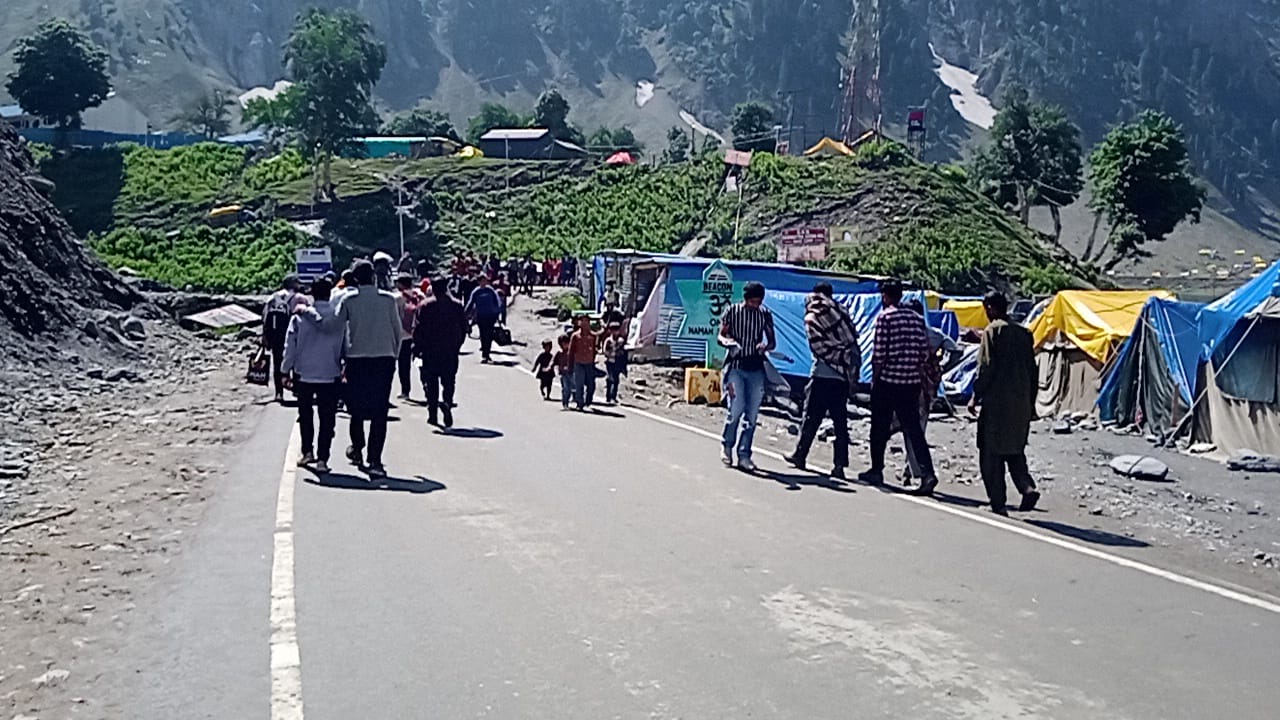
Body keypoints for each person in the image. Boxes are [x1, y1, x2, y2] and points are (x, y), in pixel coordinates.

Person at [861, 280, 938, 494]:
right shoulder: (917, 319)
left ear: (885, 296)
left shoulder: (885, 318)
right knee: (914, 430)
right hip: (911, 383)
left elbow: (879, 355)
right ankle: (927, 474)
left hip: (888, 382)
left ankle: (876, 470)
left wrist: (875, 380)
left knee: (879, 428)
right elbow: (924, 353)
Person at [970, 291, 1041, 516]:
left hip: (997, 402)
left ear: (990, 307)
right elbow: (1033, 371)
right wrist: (1031, 403)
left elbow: (986, 367)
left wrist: (975, 395)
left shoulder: (993, 331)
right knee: (1014, 448)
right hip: (1020, 402)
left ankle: (997, 502)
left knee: (990, 452)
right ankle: (1026, 487)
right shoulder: (1024, 334)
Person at [332, 260, 402, 479]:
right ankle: (375, 460)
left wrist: (338, 359)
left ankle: (357, 448)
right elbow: (397, 331)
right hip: (384, 358)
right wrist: (394, 355)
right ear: (373, 276)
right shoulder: (388, 300)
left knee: (356, 408)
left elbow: (337, 330)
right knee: (380, 410)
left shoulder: (348, 300)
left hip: (357, 359)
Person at [784, 282, 859, 480]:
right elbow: (852, 341)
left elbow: (817, 346)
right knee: (840, 422)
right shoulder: (842, 313)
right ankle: (839, 466)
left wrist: (830, 353)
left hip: (821, 374)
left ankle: (800, 455)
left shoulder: (812, 315)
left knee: (810, 418)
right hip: (841, 375)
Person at [282, 277, 347, 474]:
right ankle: (323, 458)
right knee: (327, 418)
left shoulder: (299, 317)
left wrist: (284, 371)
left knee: (306, 415)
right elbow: (346, 345)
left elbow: (290, 347)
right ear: (329, 294)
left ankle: (307, 452)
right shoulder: (338, 318)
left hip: (304, 374)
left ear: (313, 293)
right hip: (330, 373)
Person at [901, 298, 964, 484]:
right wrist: (943, 367)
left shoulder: (908, 335)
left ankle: (919, 472)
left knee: (909, 430)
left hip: (908, 385)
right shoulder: (933, 334)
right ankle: (910, 469)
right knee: (918, 427)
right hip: (928, 386)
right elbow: (955, 350)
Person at [718, 281, 776, 472]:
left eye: (758, 302)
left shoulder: (765, 315)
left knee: (752, 414)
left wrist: (765, 346)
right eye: (752, 301)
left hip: (756, 368)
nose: (755, 305)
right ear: (745, 299)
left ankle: (744, 454)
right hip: (736, 366)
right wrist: (730, 343)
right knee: (736, 408)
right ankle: (727, 445)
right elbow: (721, 336)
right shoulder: (732, 312)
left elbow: (772, 341)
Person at [413, 276, 468, 428]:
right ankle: (447, 403)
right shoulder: (457, 305)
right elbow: (464, 327)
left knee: (431, 382)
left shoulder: (424, 305)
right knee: (449, 381)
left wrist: (417, 348)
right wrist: (457, 345)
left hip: (430, 350)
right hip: (450, 350)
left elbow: (417, 329)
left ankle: (432, 413)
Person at [262, 274, 308, 402]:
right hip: (294, 334)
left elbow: (265, 317)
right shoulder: (299, 298)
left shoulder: (273, 297)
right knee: (296, 362)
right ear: (293, 284)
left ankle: (279, 392)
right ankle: (297, 389)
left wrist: (265, 335)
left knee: (277, 363)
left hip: (276, 335)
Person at [394, 274, 425, 400]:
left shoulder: (397, 298)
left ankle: (405, 391)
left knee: (404, 364)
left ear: (400, 284)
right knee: (419, 361)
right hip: (418, 335)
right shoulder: (420, 295)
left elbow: (395, 317)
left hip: (404, 336)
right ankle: (427, 386)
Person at [465, 274, 503, 363]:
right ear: (479, 282)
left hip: (491, 316)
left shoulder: (491, 290)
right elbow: (471, 302)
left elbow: (497, 302)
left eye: (485, 280)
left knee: (489, 334)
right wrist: (466, 314)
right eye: (482, 281)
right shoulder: (476, 292)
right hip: (481, 316)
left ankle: (487, 353)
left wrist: (497, 312)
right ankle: (484, 353)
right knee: (483, 334)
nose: (484, 282)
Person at [567, 315, 601, 410]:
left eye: (586, 321)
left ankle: (588, 400)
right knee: (579, 384)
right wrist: (569, 365)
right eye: (582, 321)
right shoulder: (575, 336)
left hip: (589, 363)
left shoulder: (593, 336)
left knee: (591, 384)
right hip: (578, 363)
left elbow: (595, 349)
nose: (584, 324)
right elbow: (571, 351)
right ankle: (580, 403)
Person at [602, 322, 628, 405]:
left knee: (616, 379)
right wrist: (611, 352)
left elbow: (624, 352)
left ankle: (613, 396)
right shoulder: (608, 341)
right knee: (610, 379)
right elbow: (604, 351)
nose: (615, 332)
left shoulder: (621, 340)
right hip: (610, 362)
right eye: (613, 330)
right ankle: (608, 396)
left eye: (616, 330)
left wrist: (619, 349)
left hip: (617, 363)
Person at [554, 334, 574, 409]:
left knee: (575, 387)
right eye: (563, 344)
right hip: (563, 374)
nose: (565, 345)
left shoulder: (571, 353)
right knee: (566, 389)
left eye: (566, 343)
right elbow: (553, 361)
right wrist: (550, 367)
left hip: (572, 373)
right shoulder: (559, 354)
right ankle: (565, 403)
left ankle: (578, 400)